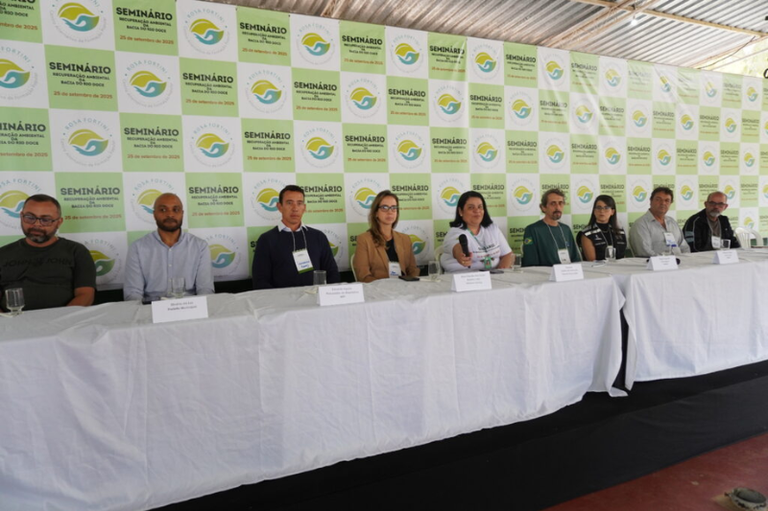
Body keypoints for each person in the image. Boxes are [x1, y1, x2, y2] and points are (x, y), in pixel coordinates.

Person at [0, 194, 96, 310]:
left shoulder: (76, 251)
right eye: (30, 217)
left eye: (46, 220)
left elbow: (85, 295)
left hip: (64, 323)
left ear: (59, 222)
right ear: (21, 216)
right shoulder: (3, 253)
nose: (37, 224)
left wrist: (61, 320)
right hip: (12, 323)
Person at [123, 193, 214, 302]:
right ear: (154, 214)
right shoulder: (137, 248)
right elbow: (133, 293)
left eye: (176, 210)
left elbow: (205, 290)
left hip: (189, 307)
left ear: (182, 214)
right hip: (150, 310)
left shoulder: (200, 246)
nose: (170, 214)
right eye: (163, 210)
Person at [253, 185, 340, 289]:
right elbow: (260, 280)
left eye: (299, 203)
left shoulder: (318, 237)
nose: (295, 208)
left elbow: (332, 273)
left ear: (304, 208)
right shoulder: (267, 240)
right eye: (289, 203)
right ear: (279, 207)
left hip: (316, 299)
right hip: (282, 301)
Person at [353, 190, 420, 282]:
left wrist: (410, 284)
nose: (390, 212)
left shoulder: (405, 239)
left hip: (405, 289)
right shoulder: (364, 239)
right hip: (379, 292)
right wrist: (386, 288)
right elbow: (363, 276)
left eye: (393, 207)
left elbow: (413, 270)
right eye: (384, 207)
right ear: (376, 212)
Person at [440, 191, 513, 272]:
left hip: (492, 277)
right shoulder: (454, 232)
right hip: (462, 277)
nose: (477, 210)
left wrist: (499, 273)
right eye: (471, 207)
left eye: (480, 207)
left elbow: (507, 255)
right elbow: (457, 248)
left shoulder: (493, 229)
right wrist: (461, 256)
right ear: (461, 211)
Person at [522, 188, 581, 267]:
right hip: (545, 276)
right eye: (553, 204)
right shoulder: (532, 230)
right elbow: (530, 263)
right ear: (543, 207)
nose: (557, 207)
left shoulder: (566, 229)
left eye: (560, 203)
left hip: (569, 273)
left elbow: (575, 259)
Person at [629, 186, 691, 257]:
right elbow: (644, 252)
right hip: (655, 266)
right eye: (658, 199)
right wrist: (667, 262)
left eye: (667, 200)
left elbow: (684, 247)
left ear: (670, 203)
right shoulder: (641, 225)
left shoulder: (672, 222)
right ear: (650, 201)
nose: (663, 203)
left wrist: (685, 261)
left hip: (680, 265)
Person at [578, 195, 627, 261]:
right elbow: (592, 261)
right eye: (598, 207)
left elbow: (623, 256)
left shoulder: (620, 231)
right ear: (594, 211)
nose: (602, 211)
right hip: (597, 270)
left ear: (612, 212)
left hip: (620, 269)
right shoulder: (587, 234)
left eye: (606, 207)